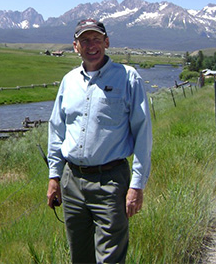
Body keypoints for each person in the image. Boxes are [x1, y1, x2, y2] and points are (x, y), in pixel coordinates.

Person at [46, 18, 153, 264]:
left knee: (110, 259)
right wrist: (54, 177)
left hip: (111, 181)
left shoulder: (128, 78)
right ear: (76, 46)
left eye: (96, 39)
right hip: (71, 181)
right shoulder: (68, 81)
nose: (91, 45)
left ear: (106, 42)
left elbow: (143, 134)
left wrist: (137, 186)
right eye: (85, 40)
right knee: (79, 257)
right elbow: (56, 131)